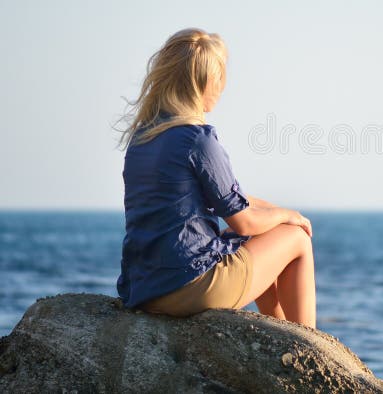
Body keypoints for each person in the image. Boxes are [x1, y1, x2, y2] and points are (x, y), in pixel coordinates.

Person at [114, 28, 316, 329]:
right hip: (188, 287)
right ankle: (309, 343)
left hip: (144, 289)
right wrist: (290, 216)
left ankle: (282, 331)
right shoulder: (197, 139)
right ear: (202, 83)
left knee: (264, 232)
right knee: (296, 239)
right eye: (219, 77)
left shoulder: (144, 136)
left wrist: (274, 212)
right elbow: (243, 221)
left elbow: (230, 200)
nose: (222, 86)